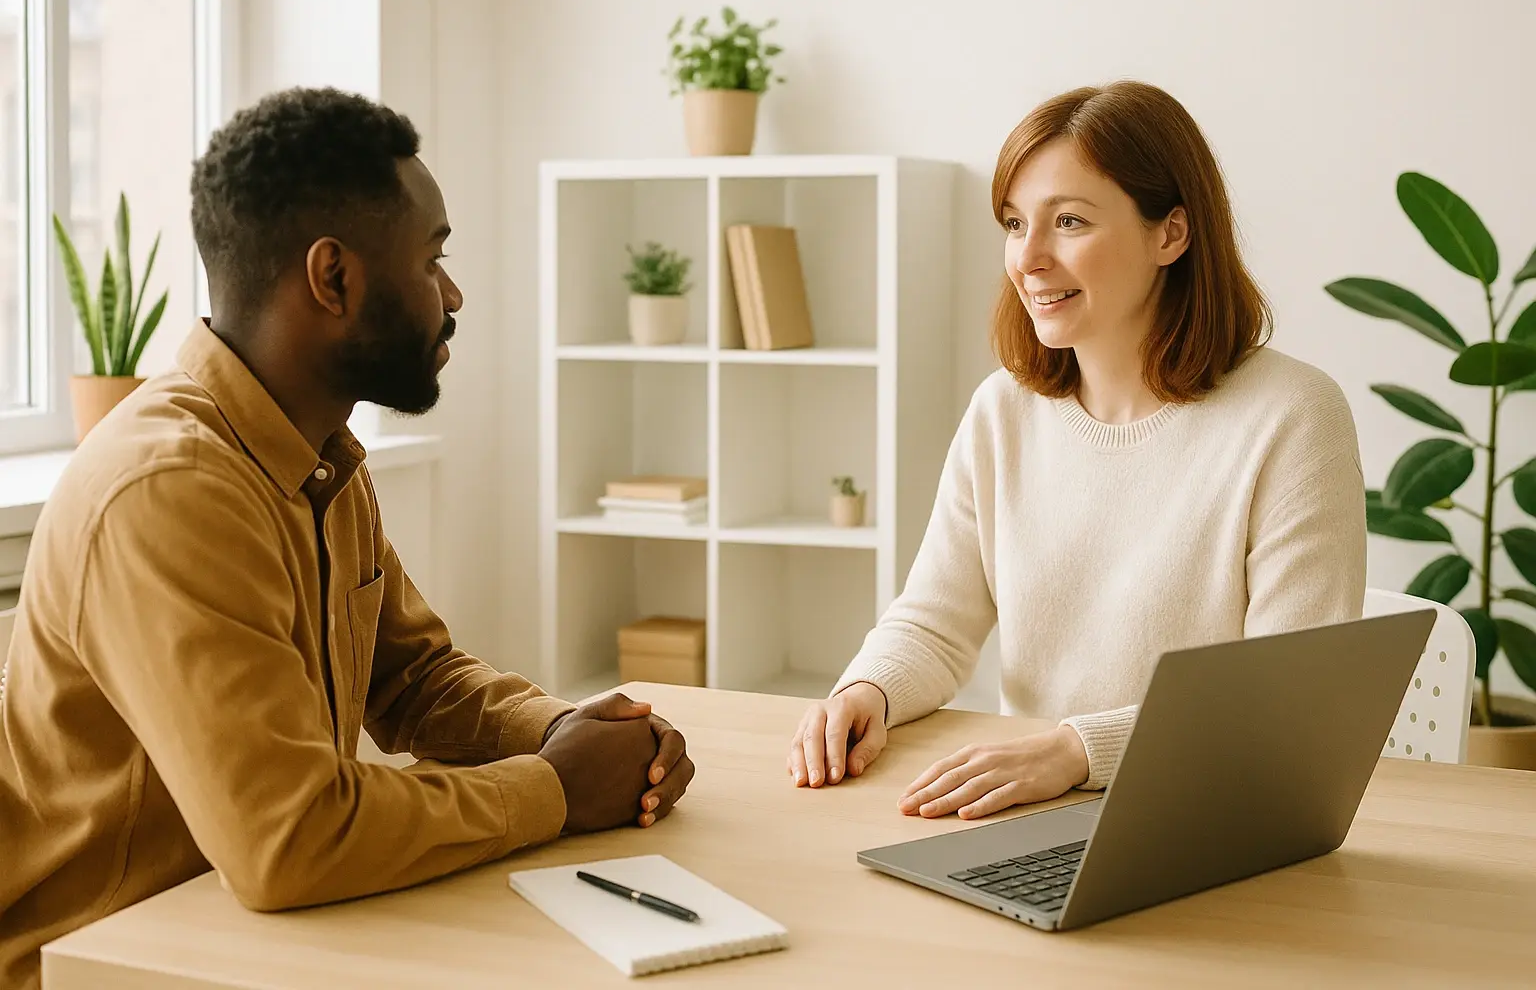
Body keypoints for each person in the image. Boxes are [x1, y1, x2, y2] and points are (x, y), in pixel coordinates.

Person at [0, 87, 695, 989]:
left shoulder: (317, 452)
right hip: (100, 963)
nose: (453, 294)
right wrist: (557, 789)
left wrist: (571, 732)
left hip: (249, 943)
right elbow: (291, 837)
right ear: (333, 279)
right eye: (433, 258)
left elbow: (414, 680)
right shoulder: (168, 492)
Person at [788, 80, 1365, 820]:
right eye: (1013, 223)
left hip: (1214, 817)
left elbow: (1286, 698)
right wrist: (865, 690)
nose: (1027, 259)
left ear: (1172, 234)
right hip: (1031, 817)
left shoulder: (1291, 416)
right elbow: (935, 621)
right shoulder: (1004, 411)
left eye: (1068, 221)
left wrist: (1077, 753)